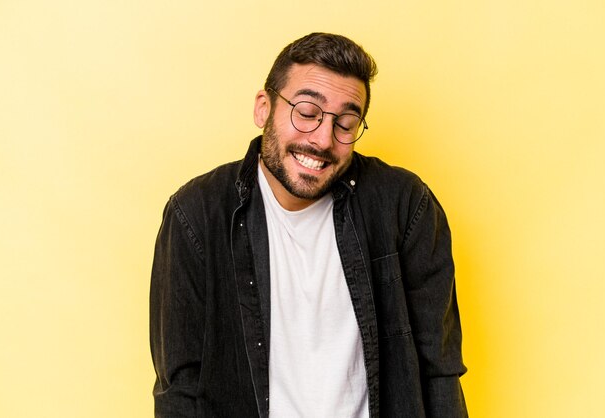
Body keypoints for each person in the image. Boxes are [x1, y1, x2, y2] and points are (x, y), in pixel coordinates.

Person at [150, 32, 467, 417]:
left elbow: (440, 370)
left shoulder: (404, 204)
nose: (322, 139)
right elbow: (179, 388)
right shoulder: (196, 214)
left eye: (346, 123)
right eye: (306, 112)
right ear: (263, 108)